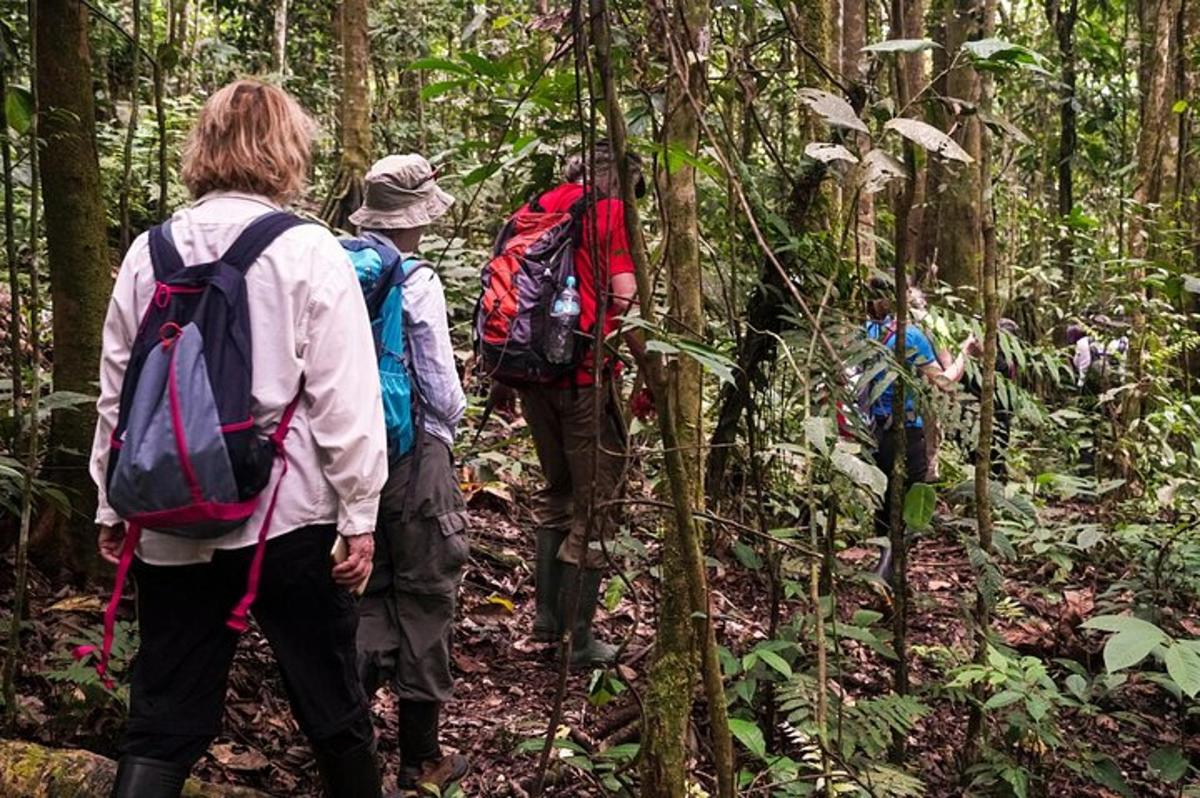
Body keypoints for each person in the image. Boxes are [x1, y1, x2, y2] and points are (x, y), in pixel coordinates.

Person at [90, 80, 387, 797]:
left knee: (162, 717)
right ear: (288, 151)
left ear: (206, 146)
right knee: (332, 707)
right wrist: (360, 515)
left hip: (170, 515)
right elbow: (345, 395)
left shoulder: (149, 250)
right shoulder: (310, 250)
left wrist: (110, 501)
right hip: (287, 519)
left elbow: (119, 390)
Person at [344, 155, 471, 796]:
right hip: (415, 456)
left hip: (348, 458)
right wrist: (452, 424)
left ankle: (348, 752)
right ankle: (420, 758)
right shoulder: (416, 281)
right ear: (416, 218)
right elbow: (442, 389)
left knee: (369, 593)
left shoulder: (332, 267)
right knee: (425, 598)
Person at [512, 142, 646, 667]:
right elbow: (624, 299)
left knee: (558, 491)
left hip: (530, 375)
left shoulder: (537, 207)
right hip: (584, 376)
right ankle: (579, 640)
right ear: (622, 184)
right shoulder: (609, 212)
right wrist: (652, 374)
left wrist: (504, 378)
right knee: (596, 507)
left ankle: (547, 622)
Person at [864, 282, 974, 581]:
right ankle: (885, 575)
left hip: (873, 431)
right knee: (908, 508)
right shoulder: (911, 337)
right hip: (906, 432)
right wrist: (964, 353)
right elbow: (946, 382)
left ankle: (887, 571)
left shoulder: (869, 331)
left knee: (885, 504)